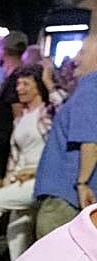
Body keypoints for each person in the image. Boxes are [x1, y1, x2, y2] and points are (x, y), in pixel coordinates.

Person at [33, 33, 97, 238]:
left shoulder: (90, 87)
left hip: (65, 195)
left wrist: (82, 183)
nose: (75, 59)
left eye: (82, 52)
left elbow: (90, 140)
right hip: (72, 195)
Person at [0, 68, 51, 261]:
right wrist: (10, 178)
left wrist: (35, 171)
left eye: (26, 84)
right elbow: (16, 156)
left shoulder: (47, 113)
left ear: (38, 86)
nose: (20, 88)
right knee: (16, 235)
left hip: (40, 179)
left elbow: (54, 150)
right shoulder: (22, 117)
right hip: (20, 179)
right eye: (18, 84)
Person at [0, 31, 30, 187]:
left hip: (2, 145)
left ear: (4, 50)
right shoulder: (15, 76)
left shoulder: (16, 78)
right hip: (1, 142)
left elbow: (19, 114)